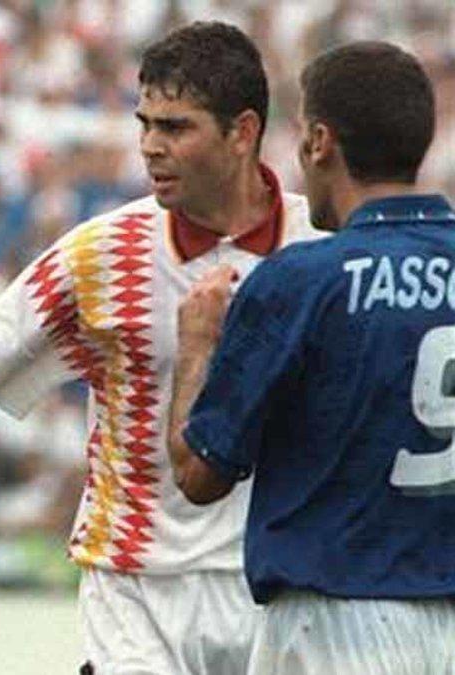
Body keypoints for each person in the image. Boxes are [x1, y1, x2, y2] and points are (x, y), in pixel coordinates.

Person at [0, 21, 326, 673]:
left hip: (275, 583)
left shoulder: (322, 248)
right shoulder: (102, 253)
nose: (150, 147)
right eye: (144, 124)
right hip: (133, 589)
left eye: (175, 127)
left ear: (242, 131)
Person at [168, 41, 455, 674]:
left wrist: (195, 347)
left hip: (335, 622)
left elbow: (198, 473)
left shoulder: (301, 280)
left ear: (321, 141)